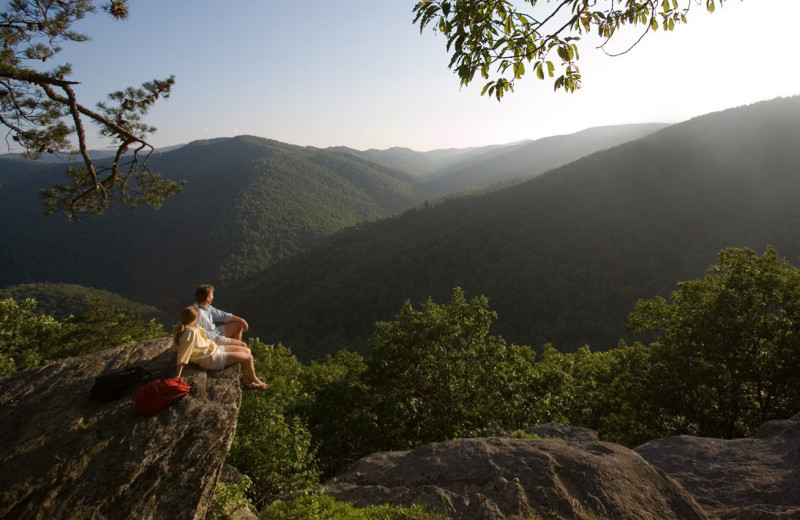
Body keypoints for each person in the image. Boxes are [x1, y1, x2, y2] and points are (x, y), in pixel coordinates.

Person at [172, 306, 268, 390]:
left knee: (247, 350)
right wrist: (177, 376)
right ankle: (255, 381)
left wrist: (172, 357)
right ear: (193, 319)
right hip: (210, 358)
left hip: (213, 350)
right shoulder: (190, 333)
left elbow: (177, 347)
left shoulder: (191, 327)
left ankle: (247, 381)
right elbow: (183, 354)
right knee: (248, 358)